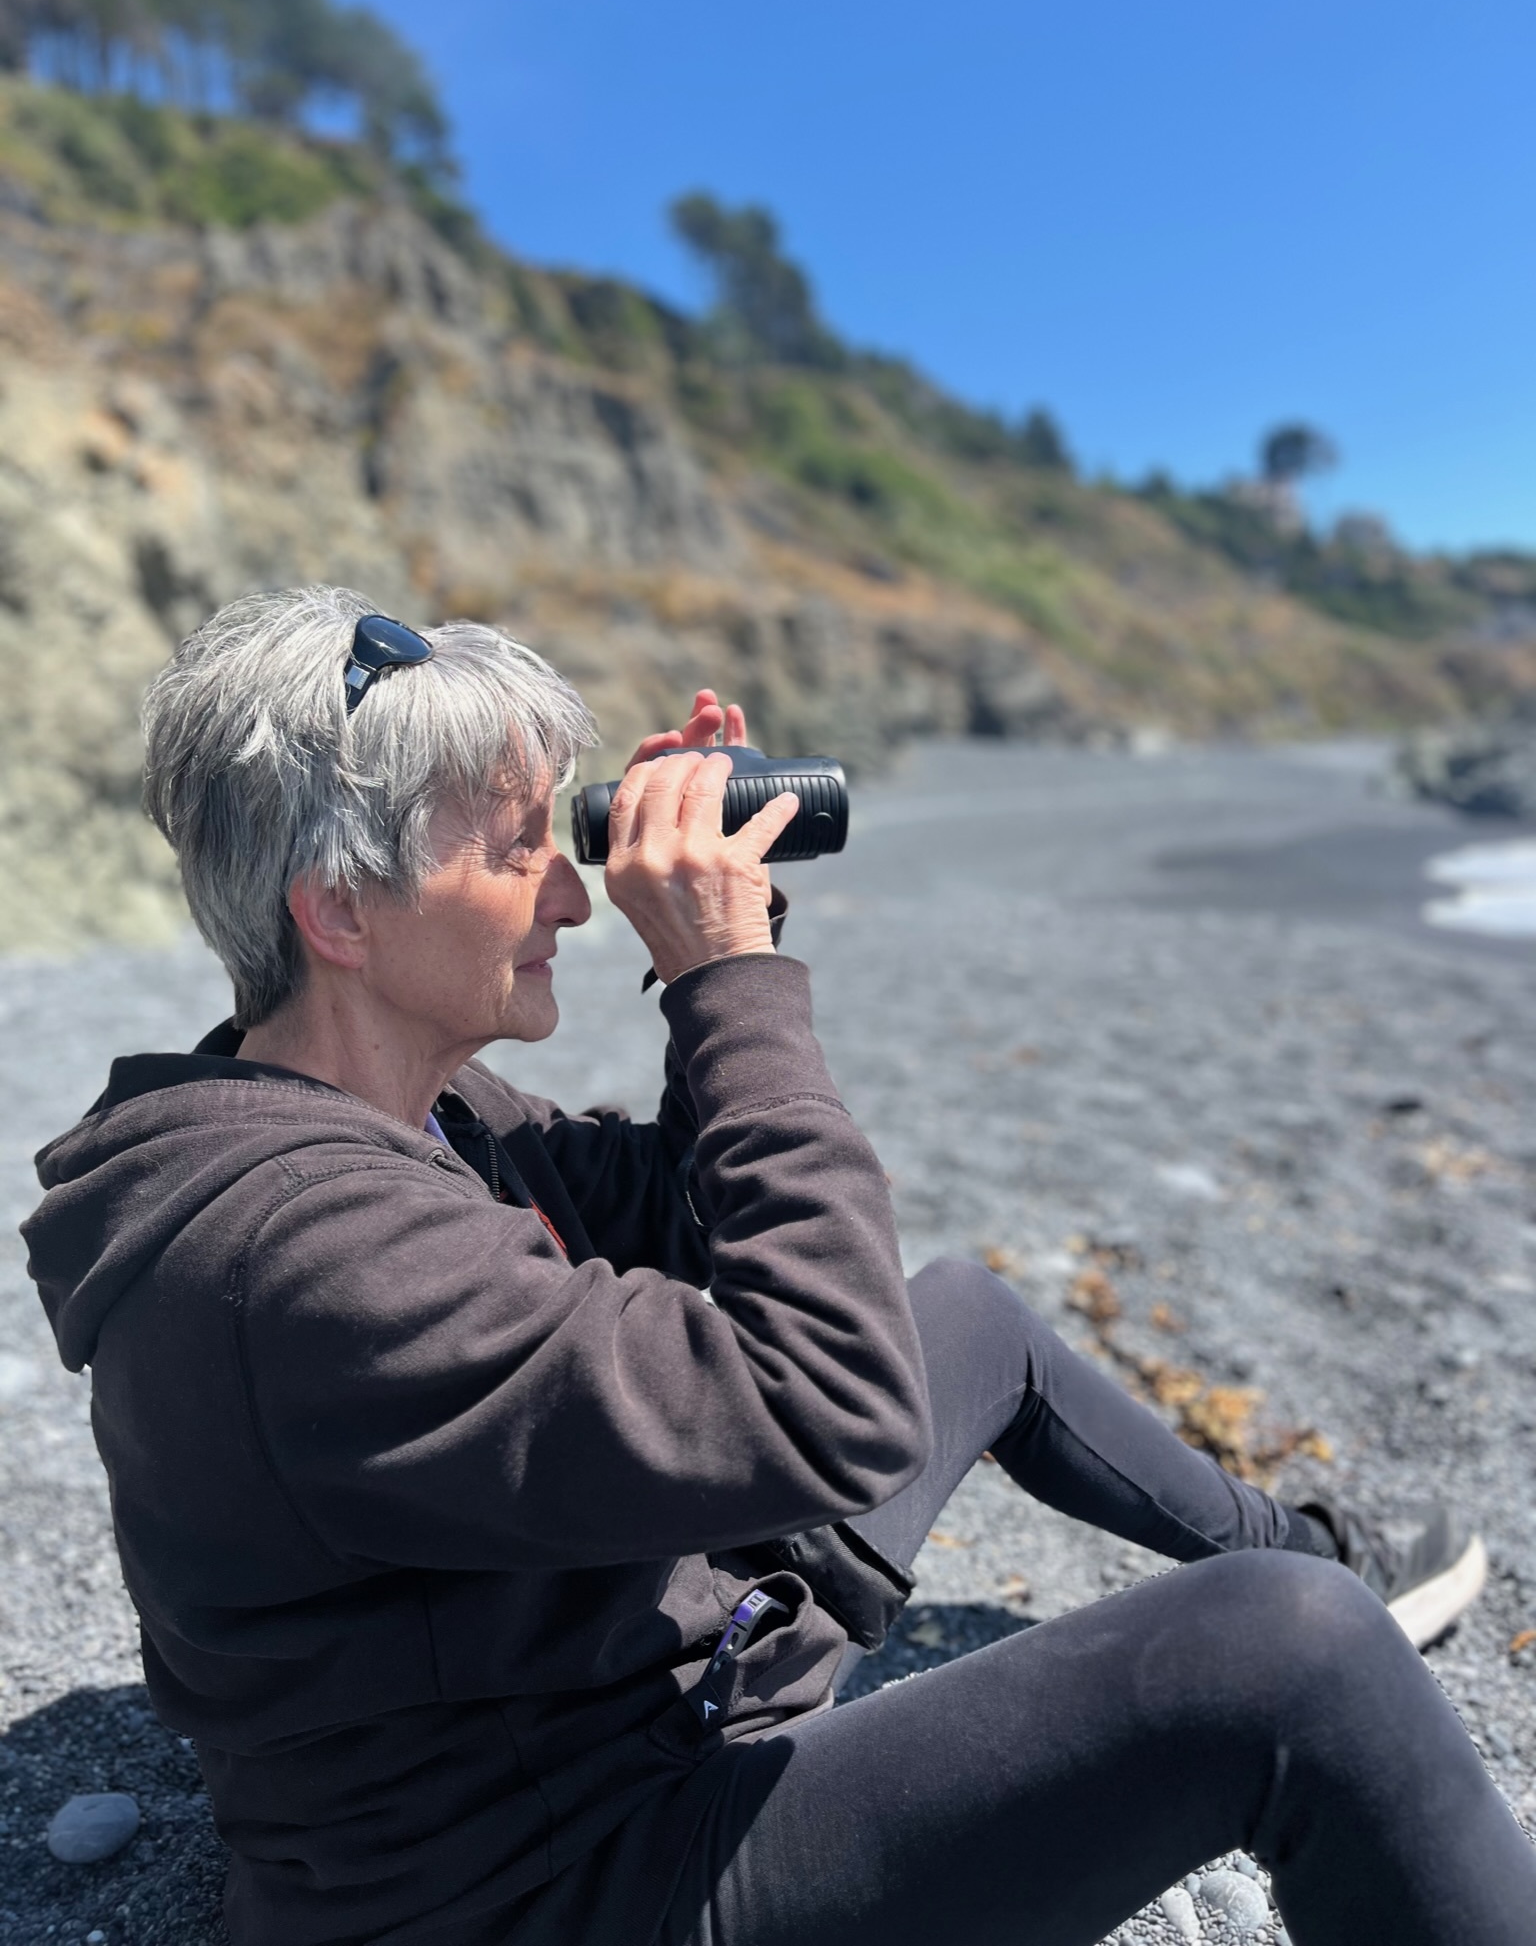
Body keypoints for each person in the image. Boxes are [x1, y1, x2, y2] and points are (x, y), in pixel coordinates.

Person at [22, 588, 1531, 1946]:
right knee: (1287, 1655)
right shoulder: (300, 1248)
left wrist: (729, 940)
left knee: (975, 1319)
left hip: (629, 1692)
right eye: (516, 846)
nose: (570, 889)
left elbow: (698, 1210)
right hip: (550, 1884)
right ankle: (1315, 1596)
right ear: (338, 911)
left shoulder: (405, 1111)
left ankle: (1301, 1534)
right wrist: (726, 979)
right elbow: (834, 1408)